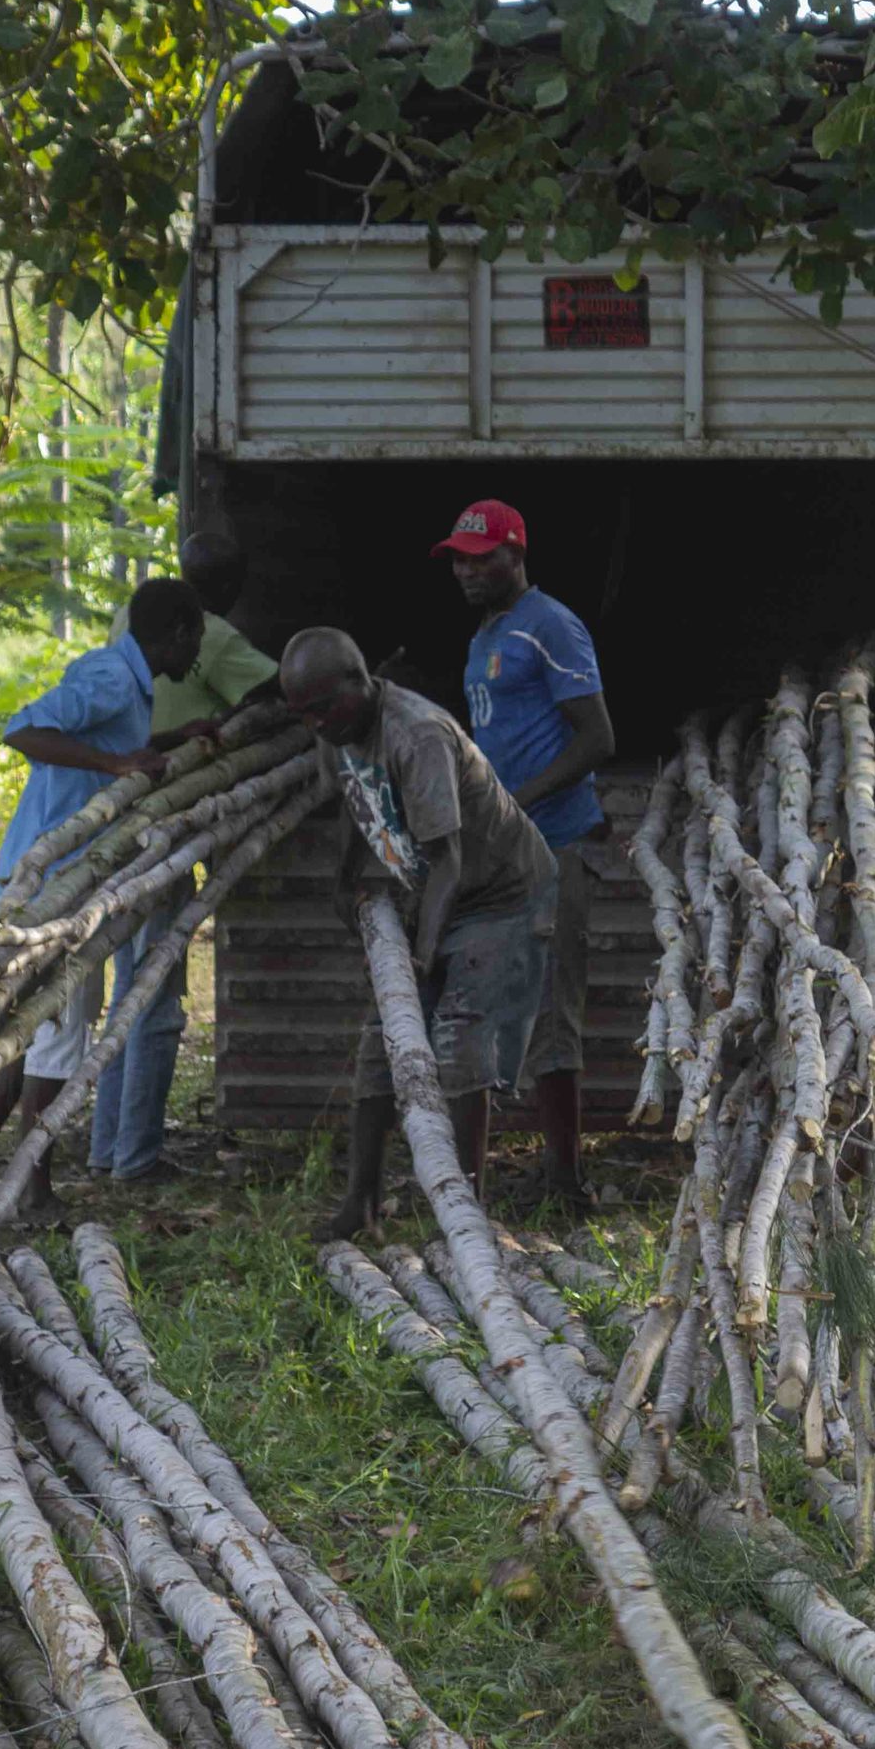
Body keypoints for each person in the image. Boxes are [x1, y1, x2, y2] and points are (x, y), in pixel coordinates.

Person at [279, 625, 557, 1238]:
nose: (316, 724)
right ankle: (363, 1204)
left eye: (323, 708)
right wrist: (344, 876)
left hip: (500, 893)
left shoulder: (417, 735)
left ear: (360, 683)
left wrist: (425, 951)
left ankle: (462, 1215)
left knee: (457, 1037)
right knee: (384, 1037)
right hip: (434, 885)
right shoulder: (334, 727)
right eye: (303, 714)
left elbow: (451, 860)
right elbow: (357, 801)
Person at [0, 577, 207, 1216]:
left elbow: (114, 746)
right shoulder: (113, 677)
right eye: (193, 638)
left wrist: (168, 742)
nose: (196, 654)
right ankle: (34, 1190)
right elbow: (24, 730)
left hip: (57, 875)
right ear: (174, 633)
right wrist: (116, 770)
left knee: (36, 1027)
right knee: (63, 1025)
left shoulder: (127, 682)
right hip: (54, 882)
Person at [434, 497, 614, 1209]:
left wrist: (519, 802)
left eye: (482, 558)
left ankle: (565, 1182)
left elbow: (598, 737)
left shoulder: (551, 626)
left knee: (551, 1008)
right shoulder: (486, 636)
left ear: (516, 554)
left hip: (552, 844)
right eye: (458, 558)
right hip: (497, 852)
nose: (467, 571)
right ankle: (470, 1186)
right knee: (479, 1002)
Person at [91, 532, 279, 1183]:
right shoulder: (217, 636)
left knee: (128, 992)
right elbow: (280, 692)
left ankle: (108, 1149)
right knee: (158, 996)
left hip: (119, 816)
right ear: (229, 589)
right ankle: (135, 1159)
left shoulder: (130, 616)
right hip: (166, 824)